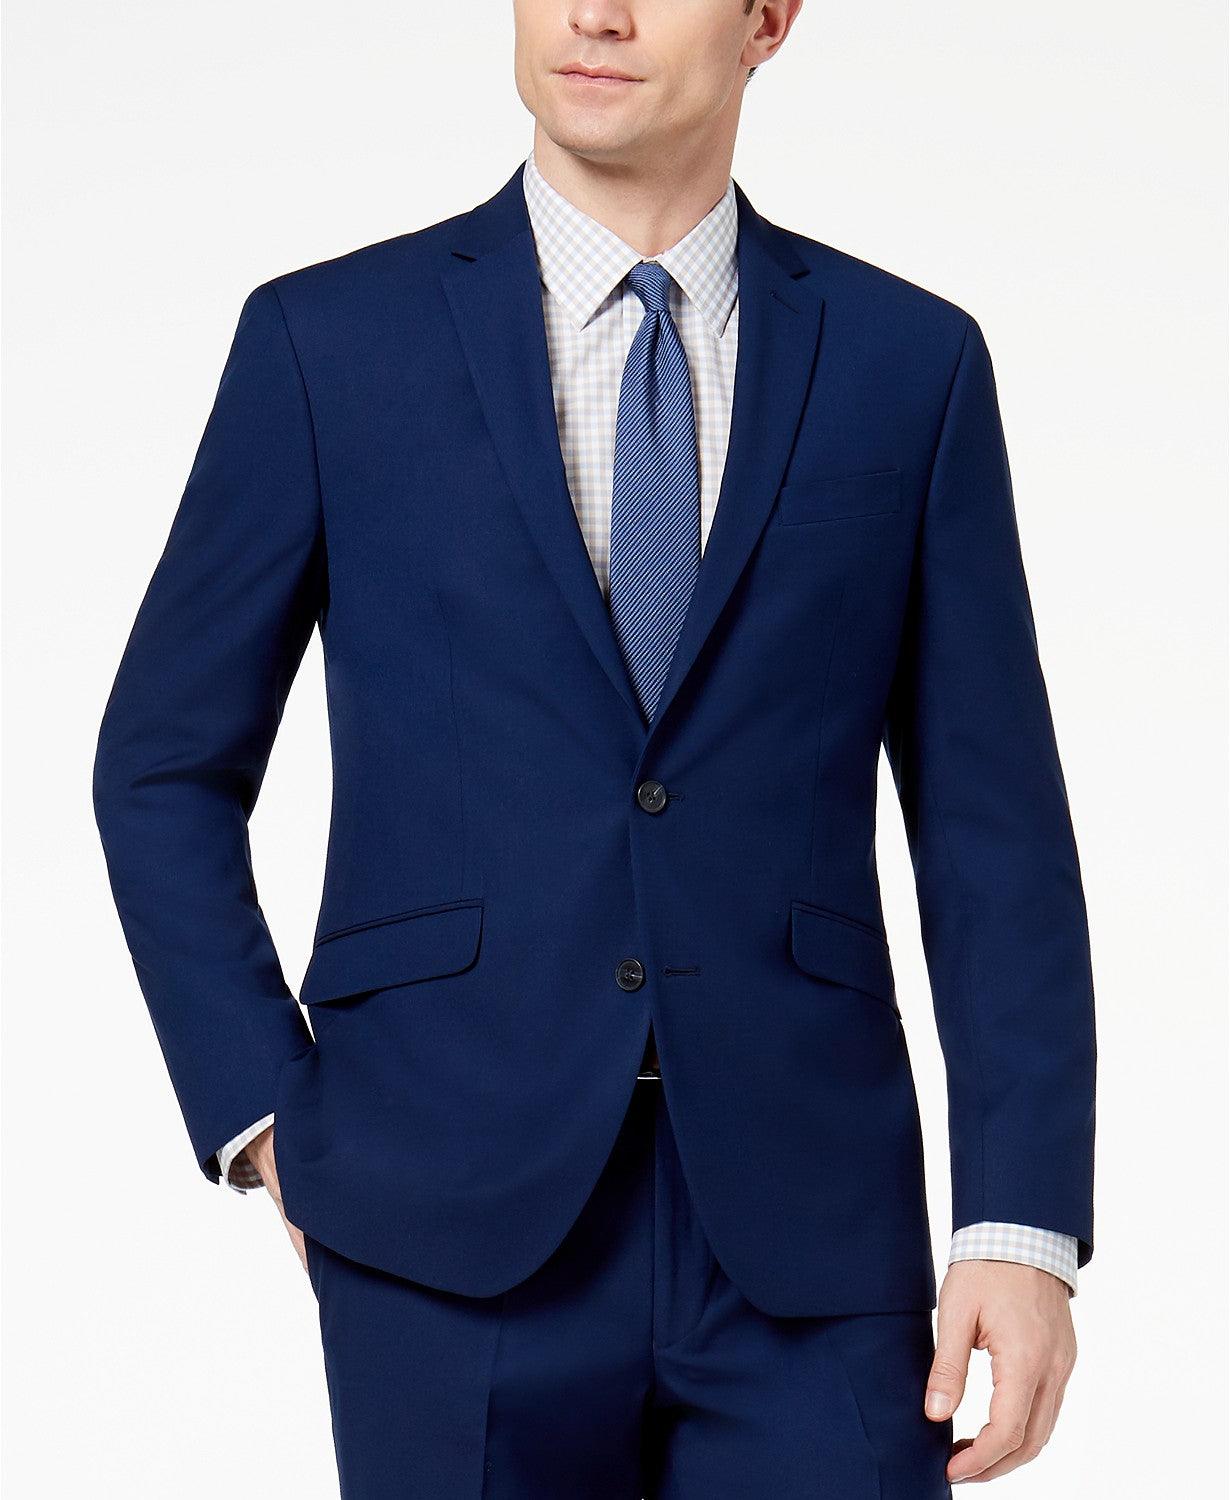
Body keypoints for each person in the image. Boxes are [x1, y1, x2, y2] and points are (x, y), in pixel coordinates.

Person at [93, 2, 1095, 1494]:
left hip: (809, 1226)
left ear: (766, 19)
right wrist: (268, 1119)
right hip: (440, 1217)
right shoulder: (329, 344)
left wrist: (1020, 1224)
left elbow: (990, 825)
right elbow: (161, 765)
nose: (595, 12)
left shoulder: (908, 363)